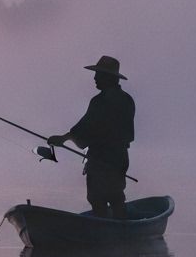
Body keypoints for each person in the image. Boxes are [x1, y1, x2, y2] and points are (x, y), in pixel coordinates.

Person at [48, 56, 135, 218]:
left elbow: (84, 129)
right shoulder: (127, 100)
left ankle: (104, 233)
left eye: (99, 74)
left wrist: (63, 139)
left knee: (97, 199)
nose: (95, 78)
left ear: (109, 77)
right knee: (116, 198)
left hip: (100, 159)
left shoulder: (99, 102)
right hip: (120, 158)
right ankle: (122, 232)